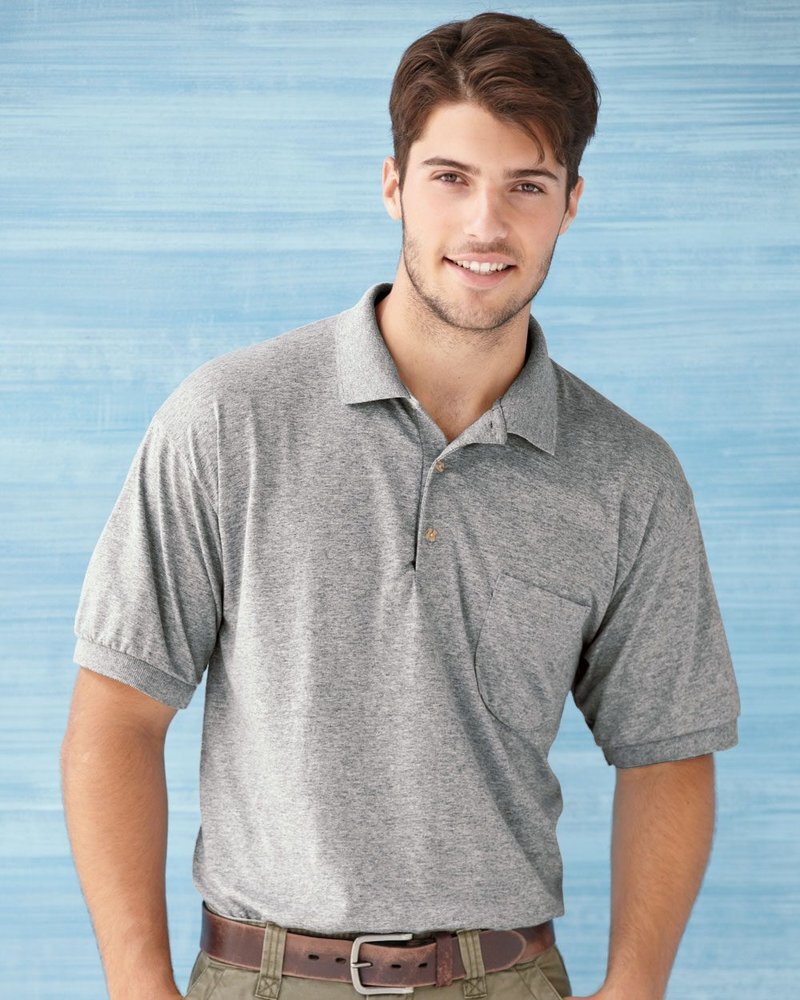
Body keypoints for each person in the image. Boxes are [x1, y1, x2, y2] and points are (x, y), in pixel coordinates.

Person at [60, 11, 741, 1000]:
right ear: (393, 185)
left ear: (571, 203)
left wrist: (634, 987)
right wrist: (137, 987)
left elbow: (668, 750)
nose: (484, 225)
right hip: (258, 977)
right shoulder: (227, 420)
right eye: (450, 178)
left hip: (504, 977)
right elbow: (117, 715)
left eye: (526, 186)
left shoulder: (627, 474)